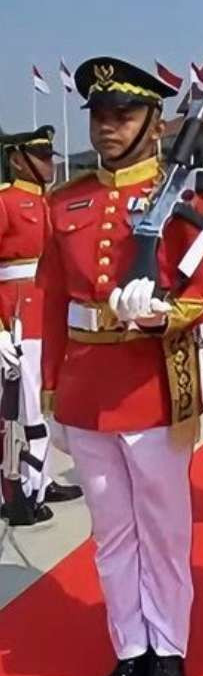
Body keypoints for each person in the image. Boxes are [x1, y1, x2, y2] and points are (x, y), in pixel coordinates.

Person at [37, 57, 203, 676]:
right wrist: (52, 388)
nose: (108, 126)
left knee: (165, 531)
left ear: (156, 122)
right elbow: (54, 299)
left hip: (151, 387)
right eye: (100, 114)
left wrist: (167, 312)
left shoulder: (181, 199)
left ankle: (170, 651)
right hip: (89, 391)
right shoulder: (66, 201)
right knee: (111, 533)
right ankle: (130, 651)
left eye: (123, 114)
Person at [0, 126, 83, 526]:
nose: (51, 162)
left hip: (49, 314)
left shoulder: (54, 203)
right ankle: (20, 490)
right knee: (23, 409)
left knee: (46, 403)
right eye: (42, 155)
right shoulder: (5, 202)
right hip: (17, 314)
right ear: (18, 159)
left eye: (51, 155)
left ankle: (42, 478)